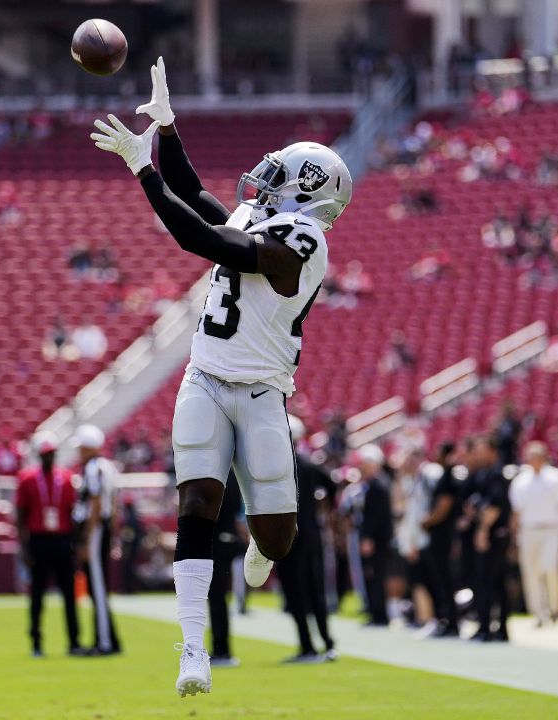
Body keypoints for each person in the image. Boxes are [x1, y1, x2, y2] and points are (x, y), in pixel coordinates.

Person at [90, 57, 352, 697]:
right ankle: (193, 651)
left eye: (282, 176)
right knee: (197, 507)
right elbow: (204, 200)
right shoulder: (265, 216)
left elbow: (202, 239)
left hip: (263, 393)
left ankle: (265, 539)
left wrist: (141, 167)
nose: (265, 180)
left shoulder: (306, 241)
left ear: (308, 192)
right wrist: (168, 129)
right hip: (205, 379)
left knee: (279, 541)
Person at [15, 433, 83, 657]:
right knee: (36, 594)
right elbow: (20, 515)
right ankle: (36, 642)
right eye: (45, 455)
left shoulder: (66, 478)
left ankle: (74, 641)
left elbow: (72, 513)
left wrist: (75, 543)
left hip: (62, 539)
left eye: (52, 454)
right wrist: (24, 547)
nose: (49, 458)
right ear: (39, 456)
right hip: (39, 539)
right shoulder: (27, 479)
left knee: (69, 592)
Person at [275, 415, 337, 661]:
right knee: (315, 590)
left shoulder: (276, 468)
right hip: (312, 536)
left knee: (295, 592)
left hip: (289, 538)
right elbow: (332, 486)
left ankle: (307, 645)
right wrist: (324, 507)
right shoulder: (310, 465)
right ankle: (328, 642)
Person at [509, 442, 558, 627]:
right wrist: (513, 538)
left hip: (552, 529)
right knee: (531, 572)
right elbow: (517, 513)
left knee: (550, 568)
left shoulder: (556, 477)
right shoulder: (520, 481)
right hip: (528, 530)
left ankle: (555, 608)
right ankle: (538, 612)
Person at [74, 424, 121, 656]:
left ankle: (104, 642)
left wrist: (86, 538)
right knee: (96, 586)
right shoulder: (107, 466)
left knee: (98, 587)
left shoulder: (94, 468)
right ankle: (108, 637)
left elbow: (95, 504)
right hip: (103, 529)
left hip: (96, 530)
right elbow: (114, 505)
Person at [468, 436, 511, 641]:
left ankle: (488, 627)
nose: (478, 454)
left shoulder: (496, 474)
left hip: (494, 534)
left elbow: (493, 507)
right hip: (491, 532)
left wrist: (483, 530)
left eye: (482, 449)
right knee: (494, 582)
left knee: (489, 580)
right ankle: (497, 628)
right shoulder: (482, 474)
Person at [418, 444, 460, 636]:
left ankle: (450, 621)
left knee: (444, 579)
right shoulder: (445, 476)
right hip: (441, 535)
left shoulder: (449, 477)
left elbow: (444, 504)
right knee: (439, 579)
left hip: (444, 535)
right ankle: (447, 619)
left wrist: (429, 520)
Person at [352, 445, 393, 628]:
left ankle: (379, 615)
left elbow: (376, 517)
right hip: (374, 539)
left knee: (375, 576)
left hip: (376, 540)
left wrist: (368, 538)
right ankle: (375, 612)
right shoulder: (374, 485)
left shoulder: (378, 486)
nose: (361, 468)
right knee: (372, 577)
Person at [208, 474, 246, 667]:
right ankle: (221, 648)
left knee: (217, 598)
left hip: (218, 541)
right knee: (222, 597)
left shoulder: (217, 474)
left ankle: (221, 649)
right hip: (231, 539)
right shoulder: (233, 474)